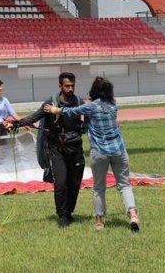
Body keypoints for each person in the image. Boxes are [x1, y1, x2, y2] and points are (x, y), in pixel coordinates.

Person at [47, 77, 140, 233]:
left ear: (94, 91)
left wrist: (56, 110)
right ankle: (133, 214)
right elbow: (99, 107)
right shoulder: (113, 105)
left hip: (100, 152)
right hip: (119, 150)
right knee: (124, 185)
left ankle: (98, 221)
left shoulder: (91, 107)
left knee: (98, 188)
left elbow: (72, 112)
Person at [8, 72, 86, 228]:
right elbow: (35, 116)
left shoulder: (78, 101)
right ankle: (62, 215)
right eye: (67, 86)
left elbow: (91, 116)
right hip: (58, 149)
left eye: (72, 86)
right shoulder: (52, 102)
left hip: (76, 149)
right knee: (61, 184)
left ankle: (69, 212)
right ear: (60, 86)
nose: (70, 89)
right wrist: (17, 123)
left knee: (74, 183)